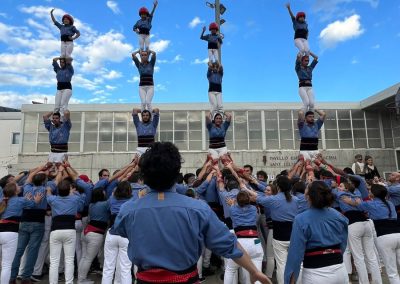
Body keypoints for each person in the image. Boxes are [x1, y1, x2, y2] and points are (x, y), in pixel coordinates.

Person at [112, 142, 270, 284]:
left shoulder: (129, 209)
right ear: (177, 174)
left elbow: (118, 229)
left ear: (144, 176)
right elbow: (229, 244)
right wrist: (254, 271)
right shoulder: (198, 208)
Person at [284, 181, 349, 284]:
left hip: (315, 273)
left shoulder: (301, 219)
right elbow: (343, 243)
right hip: (340, 269)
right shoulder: (339, 216)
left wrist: (289, 281)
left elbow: (295, 254)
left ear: (308, 196)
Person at [245, 176, 299, 284]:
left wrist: (246, 188)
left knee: (281, 264)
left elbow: (258, 198)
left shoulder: (274, 199)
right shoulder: (296, 199)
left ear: (278, 186)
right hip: (294, 234)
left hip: (279, 234)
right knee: (295, 264)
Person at [343, 184, 400, 283]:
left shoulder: (370, 204)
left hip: (385, 236)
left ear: (373, 194)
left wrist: (347, 200)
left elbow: (355, 204)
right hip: (397, 233)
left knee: (392, 272)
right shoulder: (389, 203)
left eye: (370, 191)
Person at [10, 166, 49, 283]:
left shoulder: (27, 188)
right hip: (38, 222)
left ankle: (12, 276)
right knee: (33, 251)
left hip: (24, 221)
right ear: (43, 181)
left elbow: (30, 176)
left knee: (19, 250)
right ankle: (26, 277)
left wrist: (41, 168)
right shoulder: (45, 190)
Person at [0, 182, 43, 284]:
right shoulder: (21, 200)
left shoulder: (2, 201)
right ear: (15, 191)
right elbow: (34, 204)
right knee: (6, 265)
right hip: (11, 233)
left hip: (1, 230)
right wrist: (36, 200)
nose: (20, 187)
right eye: (18, 186)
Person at [46, 178, 85, 284]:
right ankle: (69, 282)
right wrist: (73, 192)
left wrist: (50, 189)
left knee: (54, 261)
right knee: (69, 260)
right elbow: (83, 197)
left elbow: (48, 193)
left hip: (55, 230)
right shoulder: (75, 199)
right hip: (69, 230)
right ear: (69, 190)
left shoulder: (53, 199)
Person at [224, 191, 264, 284]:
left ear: (237, 200)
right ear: (248, 200)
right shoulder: (254, 209)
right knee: (257, 273)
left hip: (240, 243)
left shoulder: (232, 209)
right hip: (255, 242)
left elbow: (234, 209)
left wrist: (232, 204)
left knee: (230, 269)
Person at [297, 109, 325, 181]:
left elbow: (323, 114)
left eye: (313, 116)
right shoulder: (301, 125)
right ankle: (305, 182)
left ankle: (321, 180)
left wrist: (314, 109)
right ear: (305, 118)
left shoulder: (316, 125)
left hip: (315, 150)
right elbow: (300, 113)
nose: (312, 118)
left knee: (322, 166)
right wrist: (305, 107)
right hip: (304, 150)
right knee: (307, 168)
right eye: (310, 116)